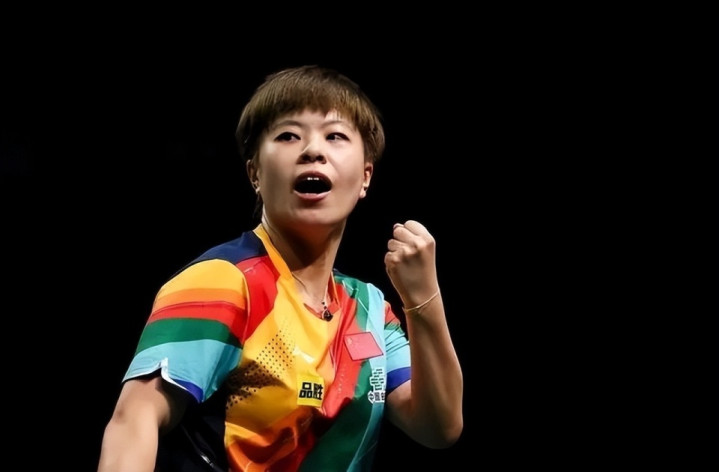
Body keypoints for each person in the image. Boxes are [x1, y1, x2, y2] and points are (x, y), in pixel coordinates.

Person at [97, 64, 463, 472]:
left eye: (335, 136)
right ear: (255, 173)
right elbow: (135, 419)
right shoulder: (224, 281)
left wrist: (422, 299)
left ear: (365, 177)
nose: (312, 150)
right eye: (288, 135)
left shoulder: (369, 308)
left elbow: (438, 426)